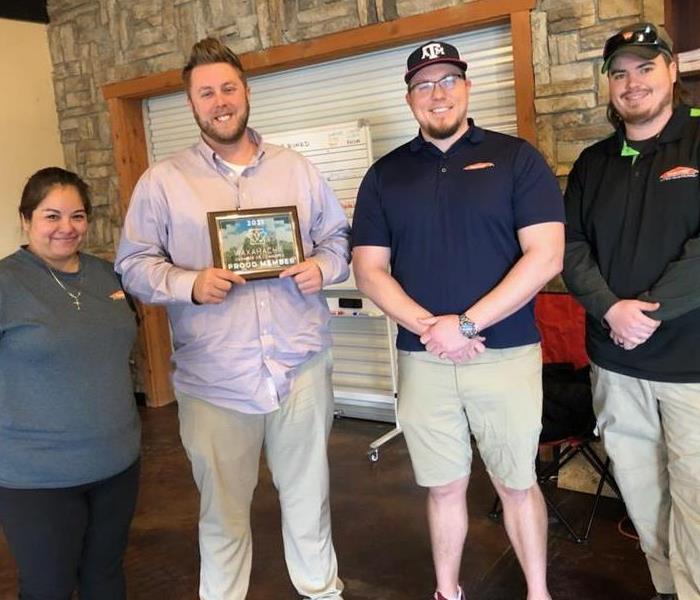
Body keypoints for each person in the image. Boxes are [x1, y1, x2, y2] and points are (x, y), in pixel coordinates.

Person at [115, 37, 349, 600]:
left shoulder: (297, 169)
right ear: (191, 104)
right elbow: (134, 266)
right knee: (221, 513)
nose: (219, 101)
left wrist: (323, 265)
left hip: (299, 368)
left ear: (245, 92)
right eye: (205, 93)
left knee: (309, 500)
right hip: (215, 379)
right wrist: (188, 284)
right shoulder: (161, 181)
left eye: (228, 88)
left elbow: (338, 238)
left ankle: (323, 592)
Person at [352, 40, 564, 600]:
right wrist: (433, 328)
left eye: (448, 80)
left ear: (467, 88)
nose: (437, 93)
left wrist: (466, 325)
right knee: (444, 486)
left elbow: (546, 256)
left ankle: (537, 591)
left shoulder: (518, 159)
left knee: (516, 484)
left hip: (506, 352)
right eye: (423, 84)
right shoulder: (384, 175)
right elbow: (369, 271)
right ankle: (448, 591)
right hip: (424, 359)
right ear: (409, 98)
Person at [562, 22, 700, 600]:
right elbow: (570, 247)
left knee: (695, 494)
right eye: (619, 72)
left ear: (672, 70)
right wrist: (611, 309)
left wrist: (649, 311)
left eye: (646, 67)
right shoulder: (593, 163)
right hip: (616, 365)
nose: (632, 82)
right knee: (642, 493)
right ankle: (667, 588)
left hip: (692, 365)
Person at [0, 167, 141, 600]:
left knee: (105, 577)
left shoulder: (108, 275)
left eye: (77, 216)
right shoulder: (6, 282)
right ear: (26, 220)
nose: (67, 228)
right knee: (49, 589)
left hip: (117, 465)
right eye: (51, 216)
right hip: (37, 478)